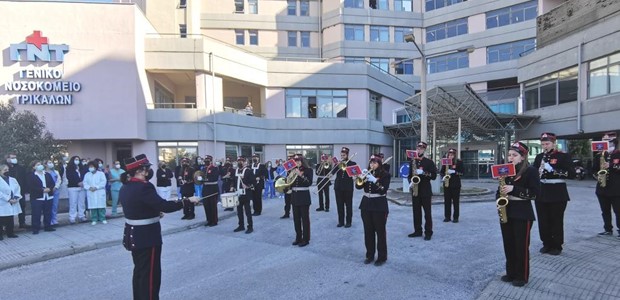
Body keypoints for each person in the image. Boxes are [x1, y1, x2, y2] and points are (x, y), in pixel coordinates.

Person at [120, 154, 200, 300]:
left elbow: (137, 208)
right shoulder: (144, 187)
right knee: (150, 277)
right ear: (140, 170)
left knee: (139, 273)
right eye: (146, 168)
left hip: (133, 236)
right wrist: (187, 201)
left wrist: (155, 212)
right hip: (147, 238)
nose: (148, 171)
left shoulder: (126, 186)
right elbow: (164, 205)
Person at [497, 142, 539, 287]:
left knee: (521, 245)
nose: (510, 158)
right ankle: (511, 273)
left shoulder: (531, 171)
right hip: (507, 210)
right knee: (508, 244)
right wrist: (500, 193)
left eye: (514, 155)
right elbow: (500, 191)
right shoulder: (506, 171)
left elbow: (535, 193)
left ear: (522, 157)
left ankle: (521, 276)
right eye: (509, 155)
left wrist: (513, 189)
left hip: (522, 211)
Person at [533, 132, 575, 255]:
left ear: (554, 143)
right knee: (543, 220)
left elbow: (571, 173)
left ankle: (557, 245)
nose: (545, 146)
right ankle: (546, 243)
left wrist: (553, 170)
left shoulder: (563, 156)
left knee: (556, 220)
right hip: (541, 191)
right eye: (543, 144)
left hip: (557, 191)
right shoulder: (539, 156)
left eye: (547, 143)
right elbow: (534, 172)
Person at [356, 154, 391, 266]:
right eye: (371, 162)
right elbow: (358, 187)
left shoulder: (385, 175)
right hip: (366, 205)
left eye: (375, 162)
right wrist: (361, 177)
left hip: (379, 205)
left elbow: (383, 190)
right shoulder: (367, 174)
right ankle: (370, 255)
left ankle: (382, 257)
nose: (372, 164)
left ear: (379, 164)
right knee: (368, 232)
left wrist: (375, 180)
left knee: (380, 232)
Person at [407, 141, 438, 240]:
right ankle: (418, 231)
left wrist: (424, 172)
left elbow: (433, 176)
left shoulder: (429, 162)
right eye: (418, 148)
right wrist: (410, 182)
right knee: (416, 212)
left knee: (427, 213)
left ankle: (428, 232)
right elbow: (409, 176)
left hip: (425, 191)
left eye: (421, 148)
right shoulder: (412, 161)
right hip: (415, 190)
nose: (418, 149)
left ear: (424, 150)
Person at [593, 132, 620, 237]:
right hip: (602, 188)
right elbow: (594, 170)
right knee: (605, 211)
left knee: (618, 211)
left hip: (616, 188)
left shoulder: (618, 153)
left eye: (608, 141)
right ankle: (608, 229)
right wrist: (598, 176)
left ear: (613, 142)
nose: (605, 143)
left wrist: (611, 165)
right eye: (603, 140)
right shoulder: (599, 155)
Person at [27, 161, 56, 234]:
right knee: (36, 213)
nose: (40, 166)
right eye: (38, 165)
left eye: (40, 164)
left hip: (48, 196)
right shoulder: (31, 176)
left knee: (48, 212)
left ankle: (48, 226)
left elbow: (52, 183)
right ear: (34, 167)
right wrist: (42, 190)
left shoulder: (47, 174)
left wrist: (49, 188)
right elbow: (31, 187)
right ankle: (35, 228)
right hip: (37, 198)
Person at [290, 154, 313, 247]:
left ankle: (306, 239)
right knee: (296, 219)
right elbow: (290, 183)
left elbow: (309, 183)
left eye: (299, 161)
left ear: (302, 161)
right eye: (295, 161)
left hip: (304, 197)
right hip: (294, 197)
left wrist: (301, 175)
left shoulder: (308, 170)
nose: (297, 162)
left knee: (305, 219)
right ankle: (298, 237)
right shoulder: (292, 170)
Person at [333, 147, 356, 228]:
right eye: (341, 155)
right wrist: (336, 165)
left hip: (348, 187)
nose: (342, 156)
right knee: (339, 205)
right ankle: (341, 221)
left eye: (344, 155)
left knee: (348, 205)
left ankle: (348, 222)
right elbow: (332, 173)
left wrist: (347, 167)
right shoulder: (338, 163)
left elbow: (354, 174)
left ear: (347, 155)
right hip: (338, 187)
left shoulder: (352, 163)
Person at [440, 148, 464, 223]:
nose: (450, 156)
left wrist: (454, 172)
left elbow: (462, 173)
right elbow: (441, 172)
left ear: (454, 155)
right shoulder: (445, 162)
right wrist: (443, 176)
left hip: (456, 185)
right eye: (449, 154)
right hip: (447, 184)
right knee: (447, 201)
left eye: (452, 154)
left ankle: (456, 217)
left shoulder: (459, 162)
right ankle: (447, 216)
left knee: (456, 202)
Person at [6, 153, 28, 228]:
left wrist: (25, 190)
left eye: (15, 157)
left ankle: (22, 223)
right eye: (12, 158)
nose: (14, 159)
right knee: (8, 208)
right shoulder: (5, 168)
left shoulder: (20, 168)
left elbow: (25, 179)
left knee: (22, 206)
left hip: (20, 191)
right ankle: (8, 225)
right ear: (7, 159)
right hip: (8, 192)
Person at [233, 156, 255, 234]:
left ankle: (250, 227)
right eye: (238, 161)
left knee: (247, 211)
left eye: (241, 161)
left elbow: (253, 181)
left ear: (244, 162)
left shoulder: (248, 171)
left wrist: (248, 185)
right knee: (239, 211)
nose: (240, 162)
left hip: (246, 194)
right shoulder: (236, 171)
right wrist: (232, 187)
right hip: (238, 194)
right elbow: (234, 180)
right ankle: (241, 225)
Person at [0, 163, 22, 239]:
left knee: (10, 218)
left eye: (8, 170)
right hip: (2, 202)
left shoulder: (13, 179)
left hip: (12, 202)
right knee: (1, 218)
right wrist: (8, 199)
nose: (7, 171)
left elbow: (17, 188)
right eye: (5, 170)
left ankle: (10, 233)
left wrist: (15, 198)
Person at [83, 161, 108, 225]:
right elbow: (85, 183)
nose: (90, 168)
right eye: (89, 167)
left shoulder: (101, 174)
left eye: (92, 167)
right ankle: (94, 219)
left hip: (99, 191)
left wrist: (96, 187)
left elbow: (103, 182)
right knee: (93, 206)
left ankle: (103, 218)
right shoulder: (87, 174)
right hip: (91, 192)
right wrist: (89, 188)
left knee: (101, 206)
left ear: (95, 167)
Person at [66, 155, 87, 224]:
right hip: (73, 187)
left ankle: (81, 216)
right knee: (73, 203)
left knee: (81, 203)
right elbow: (69, 177)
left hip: (82, 187)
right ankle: (72, 217)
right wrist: (77, 182)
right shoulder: (69, 168)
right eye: (75, 159)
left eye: (78, 159)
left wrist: (83, 183)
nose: (77, 161)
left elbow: (85, 176)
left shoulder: (82, 168)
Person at [202, 155, 219, 227]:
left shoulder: (215, 168)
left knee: (213, 206)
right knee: (206, 205)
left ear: (211, 161)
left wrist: (205, 180)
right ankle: (209, 220)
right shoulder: (203, 169)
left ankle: (214, 221)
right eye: (205, 160)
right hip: (205, 189)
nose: (206, 161)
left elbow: (215, 178)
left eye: (207, 160)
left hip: (212, 189)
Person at [44, 160, 62, 226]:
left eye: (51, 163)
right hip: (47, 191)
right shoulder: (44, 172)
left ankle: (54, 219)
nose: (51, 164)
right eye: (49, 163)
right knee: (48, 206)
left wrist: (56, 187)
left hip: (55, 190)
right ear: (45, 164)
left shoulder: (55, 172)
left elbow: (59, 180)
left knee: (55, 206)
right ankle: (49, 220)